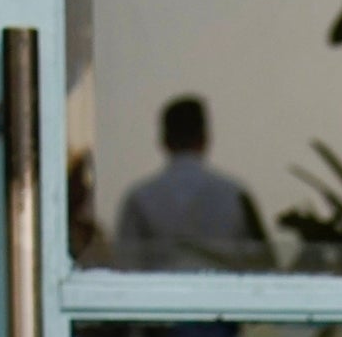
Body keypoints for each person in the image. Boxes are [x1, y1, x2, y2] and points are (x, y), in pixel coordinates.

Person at [114, 95, 269, 270]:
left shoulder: (139, 198)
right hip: (222, 293)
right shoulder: (236, 195)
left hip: (162, 295)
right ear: (205, 138)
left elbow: (126, 265)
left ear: (164, 141)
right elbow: (262, 263)